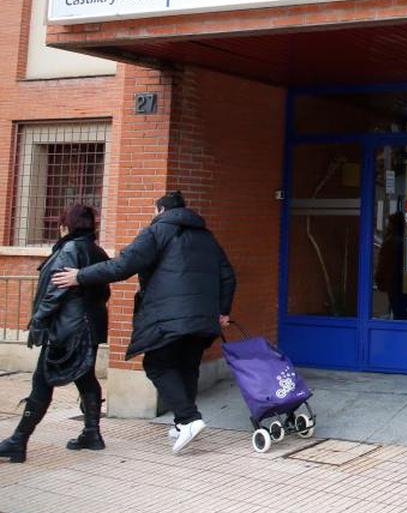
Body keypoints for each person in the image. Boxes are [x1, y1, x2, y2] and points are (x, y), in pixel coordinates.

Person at [53, 191, 235, 455]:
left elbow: (122, 266)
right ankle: (182, 421)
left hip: (168, 316)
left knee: (157, 364)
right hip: (203, 317)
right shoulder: (207, 237)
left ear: (160, 210)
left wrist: (81, 276)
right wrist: (223, 311)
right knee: (187, 366)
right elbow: (228, 275)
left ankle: (188, 420)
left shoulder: (156, 232)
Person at [0, 204, 110, 463]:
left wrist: (38, 321)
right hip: (89, 327)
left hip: (68, 329)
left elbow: (56, 291)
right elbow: (103, 291)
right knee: (85, 377)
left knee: (42, 381)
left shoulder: (70, 249)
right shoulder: (96, 250)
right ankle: (91, 433)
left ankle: (18, 440)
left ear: (67, 224)